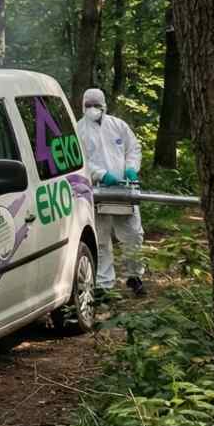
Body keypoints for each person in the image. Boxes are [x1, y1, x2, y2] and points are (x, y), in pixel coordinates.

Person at [76, 87, 145, 297]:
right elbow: (80, 160)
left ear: (104, 105)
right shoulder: (78, 130)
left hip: (124, 189)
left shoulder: (118, 125)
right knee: (101, 238)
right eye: (88, 105)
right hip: (97, 191)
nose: (92, 109)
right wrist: (100, 174)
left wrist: (131, 168)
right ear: (83, 106)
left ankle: (134, 276)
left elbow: (133, 148)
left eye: (96, 105)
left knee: (133, 234)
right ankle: (104, 284)